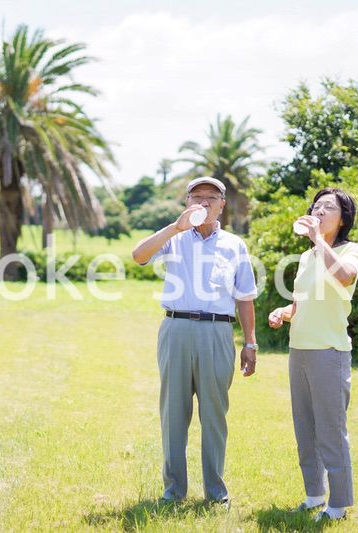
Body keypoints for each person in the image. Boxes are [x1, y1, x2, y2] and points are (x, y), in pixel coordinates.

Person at [132, 176, 258, 508]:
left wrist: (251, 342)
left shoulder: (234, 244)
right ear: (187, 202)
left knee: (215, 414)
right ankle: (173, 491)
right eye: (196, 197)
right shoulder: (174, 237)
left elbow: (245, 297)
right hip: (176, 328)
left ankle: (216, 493)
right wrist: (175, 227)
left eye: (210, 198)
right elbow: (139, 256)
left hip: (217, 332)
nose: (203, 203)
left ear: (222, 204)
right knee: (173, 413)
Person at [267, 187, 358, 522]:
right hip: (299, 351)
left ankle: (338, 505)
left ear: (343, 218)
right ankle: (313, 495)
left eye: (328, 207)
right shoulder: (307, 257)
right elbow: (301, 302)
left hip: (329, 352)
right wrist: (284, 311)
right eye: (316, 206)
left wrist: (317, 239)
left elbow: (344, 276)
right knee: (304, 428)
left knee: (330, 431)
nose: (319, 211)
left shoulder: (350, 250)